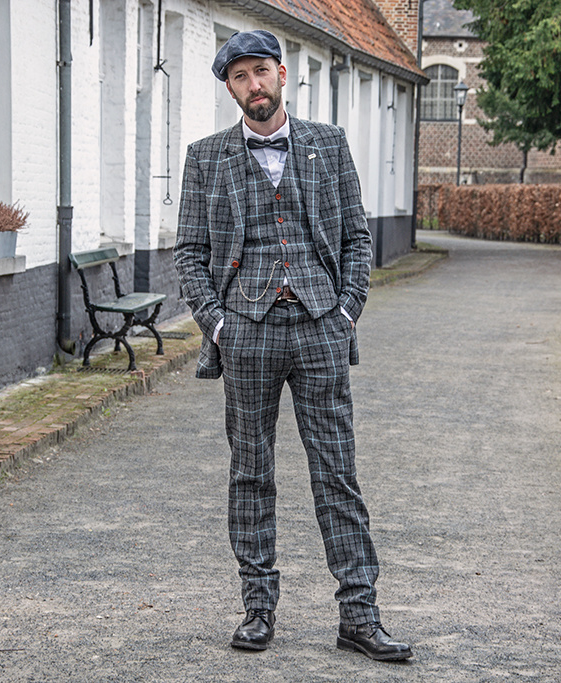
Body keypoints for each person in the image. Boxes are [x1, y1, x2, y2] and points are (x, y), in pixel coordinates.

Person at [173, 30, 412, 662]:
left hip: (319, 330)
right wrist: (219, 326)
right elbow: (190, 255)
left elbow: (357, 238)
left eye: (261, 71)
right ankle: (258, 609)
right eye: (239, 76)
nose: (253, 84)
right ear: (230, 88)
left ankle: (359, 615)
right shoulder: (206, 157)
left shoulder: (328, 145)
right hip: (246, 333)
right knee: (251, 472)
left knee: (337, 473)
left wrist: (347, 313)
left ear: (282, 74)